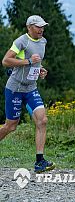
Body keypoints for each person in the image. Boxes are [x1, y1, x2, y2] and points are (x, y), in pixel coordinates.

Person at [0, 15, 55, 173]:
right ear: (29, 27)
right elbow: (6, 61)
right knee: (10, 126)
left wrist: (40, 69)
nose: (41, 29)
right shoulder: (21, 42)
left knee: (42, 120)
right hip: (15, 88)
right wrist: (29, 61)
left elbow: (36, 61)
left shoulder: (43, 42)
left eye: (43, 26)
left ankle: (40, 162)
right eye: (38, 26)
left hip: (31, 88)